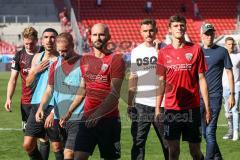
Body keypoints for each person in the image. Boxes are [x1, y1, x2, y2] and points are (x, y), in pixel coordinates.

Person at [64, 23, 125, 160]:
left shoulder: (116, 59)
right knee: (78, 156)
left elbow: (115, 94)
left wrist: (97, 115)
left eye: (102, 34)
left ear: (108, 37)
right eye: (95, 34)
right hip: (87, 119)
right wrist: (69, 110)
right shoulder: (85, 59)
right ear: (90, 37)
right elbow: (83, 88)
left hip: (109, 120)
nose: (98, 38)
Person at [156, 15, 211, 160]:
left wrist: (207, 106)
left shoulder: (196, 49)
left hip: (192, 108)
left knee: (195, 151)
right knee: (173, 152)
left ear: (185, 28)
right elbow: (161, 81)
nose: (179, 28)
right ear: (169, 29)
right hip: (172, 109)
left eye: (181, 25)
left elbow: (202, 79)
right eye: (175, 26)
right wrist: (157, 108)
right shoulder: (163, 53)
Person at [35, 32, 84, 159]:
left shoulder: (83, 63)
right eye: (59, 51)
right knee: (61, 150)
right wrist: (41, 108)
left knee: (70, 153)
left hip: (77, 117)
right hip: (59, 117)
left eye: (65, 50)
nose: (62, 54)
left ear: (73, 46)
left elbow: (83, 92)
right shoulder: (55, 65)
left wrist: (69, 111)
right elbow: (49, 90)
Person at [128, 19, 168, 160]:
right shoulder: (136, 51)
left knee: (167, 143)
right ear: (140, 32)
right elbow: (133, 77)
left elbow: (167, 73)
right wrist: (129, 103)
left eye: (151, 30)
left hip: (162, 104)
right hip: (141, 104)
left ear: (156, 31)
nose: (148, 33)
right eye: (145, 31)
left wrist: (158, 52)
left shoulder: (166, 49)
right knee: (138, 142)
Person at [23, 28, 64, 160]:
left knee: (57, 146)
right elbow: (28, 83)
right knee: (28, 144)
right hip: (37, 104)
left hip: (54, 105)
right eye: (46, 37)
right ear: (42, 40)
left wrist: (55, 112)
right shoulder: (37, 57)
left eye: (52, 37)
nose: (49, 40)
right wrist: (35, 71)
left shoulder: (62, 59)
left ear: (57, 40)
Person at [200, 23, 235, 160]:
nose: (210, 36)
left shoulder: (222, 51)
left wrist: (232, 95)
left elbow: (229, 73)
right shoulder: (197, 51)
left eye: (211, 33)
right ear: (202, 35)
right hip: (199, 98)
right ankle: (218, 157)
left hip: (215, 97)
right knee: (204, 133)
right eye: (207, 34)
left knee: (210, 133)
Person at [4, 27, 39, 131]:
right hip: (26, 101)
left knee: (43, 135)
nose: (28, 46)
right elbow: (13, 79)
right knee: (28, 136)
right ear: (23, 40)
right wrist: (8, 98)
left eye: (31, 43)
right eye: (26, 43)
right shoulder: (19, 56)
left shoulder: (43, 53)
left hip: (42, 100)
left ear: (36, 40)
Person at [222, 37, 240, 141]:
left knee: (235, 109)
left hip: (236, 86)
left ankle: (236, 132)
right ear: (225, 45)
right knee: (227, 111)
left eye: (232, 44)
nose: (231, 46)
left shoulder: (237, 56)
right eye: (229, 44)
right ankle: (231, 131)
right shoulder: (222, 57)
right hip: (224, 87)